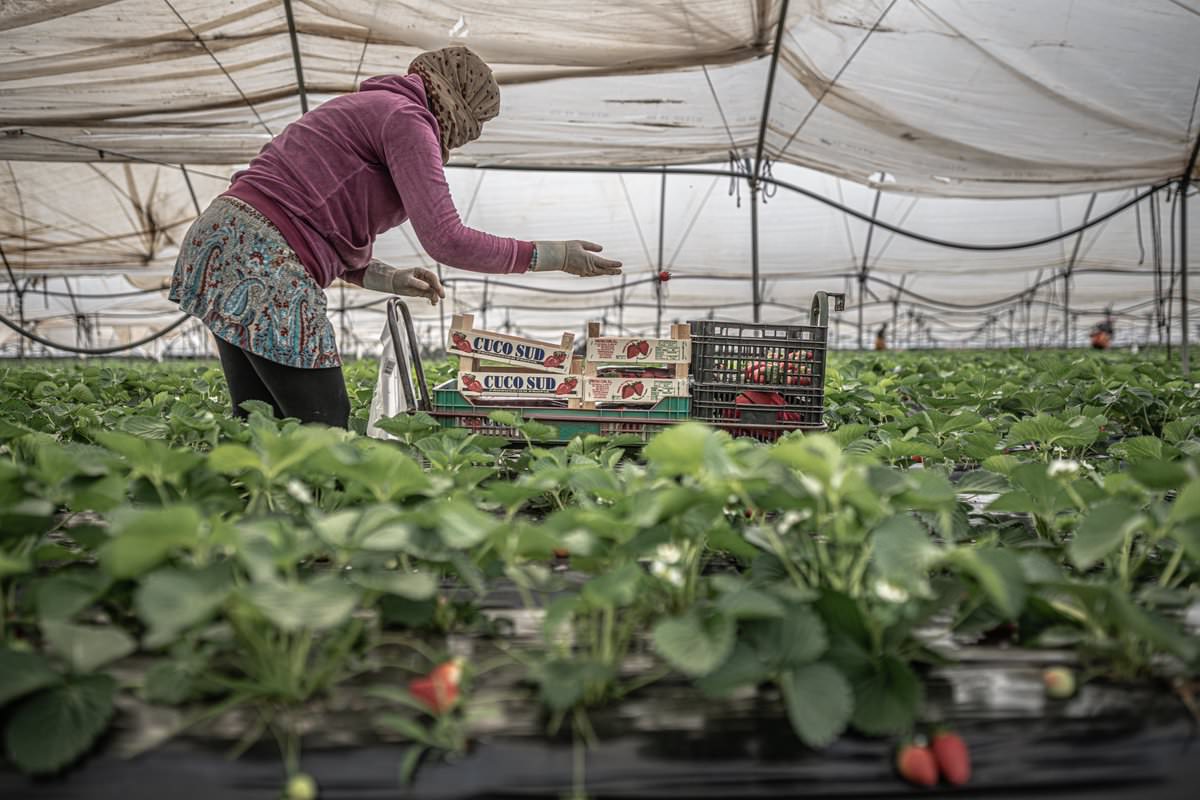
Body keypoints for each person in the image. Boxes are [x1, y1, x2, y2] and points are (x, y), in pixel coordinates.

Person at [169, 46, 621, 428]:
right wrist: (553, 254)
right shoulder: (407, 119)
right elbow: (447, 240)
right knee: (324, 423)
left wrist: (390, 279)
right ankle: (322, 525)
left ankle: (253, 523)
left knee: (259, 419)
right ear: (461, 105)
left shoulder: (376, 108)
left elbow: (314, 215)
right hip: (262, 258)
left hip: (223, 242)